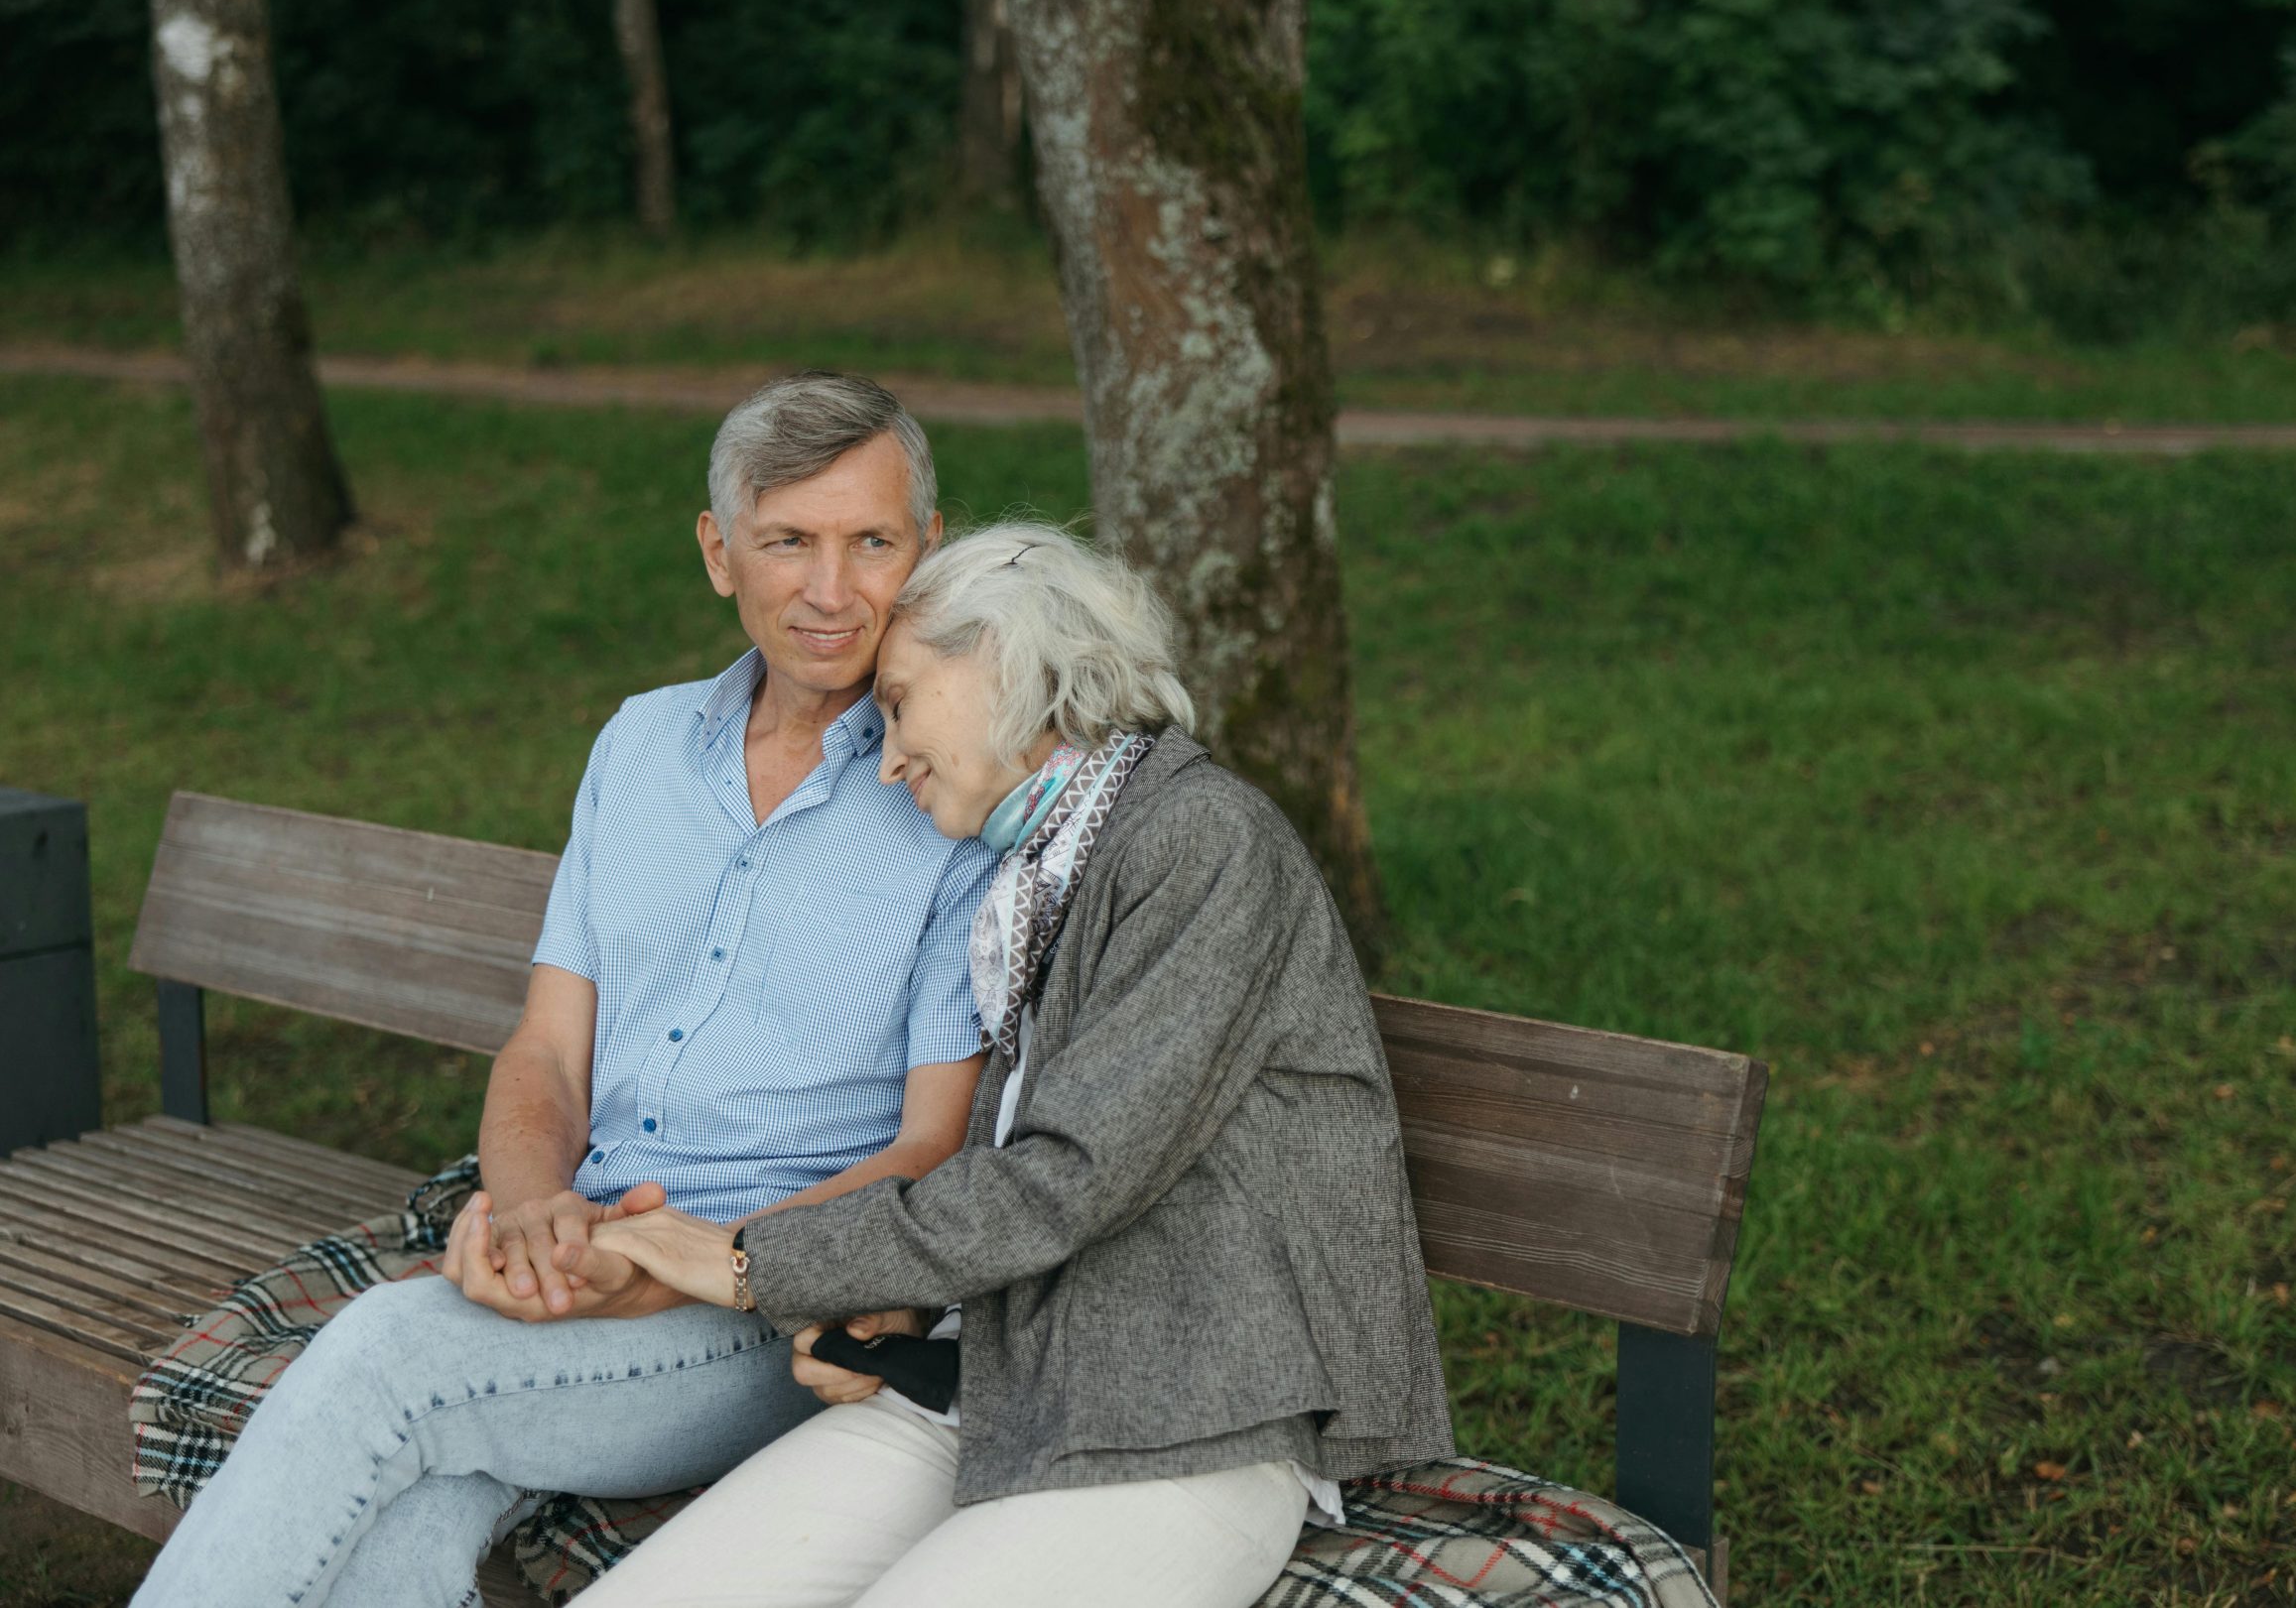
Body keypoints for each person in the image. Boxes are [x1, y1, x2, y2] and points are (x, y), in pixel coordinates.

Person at [132, 373, 997, 1608]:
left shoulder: (950, 794)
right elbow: (546, 1047)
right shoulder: (639, 745)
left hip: (764, 1312)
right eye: (787, 541)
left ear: (928, 551)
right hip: (580, 1252)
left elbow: (933, 1151)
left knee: (383, 1355)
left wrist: (668, 1261)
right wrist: (532, 1217)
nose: (829, 590)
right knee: (417, 1499)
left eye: (871, 543)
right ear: (718, 553)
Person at [564, 522, 1455, 1608]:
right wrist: (894, 1303)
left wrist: (755, 1261)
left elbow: (1066, 1177)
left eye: (895, 701)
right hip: (993, 1385)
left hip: (1185, 1411)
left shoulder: (1201, 842)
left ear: (1006, 664)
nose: (885, 759)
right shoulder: (1035, 875)